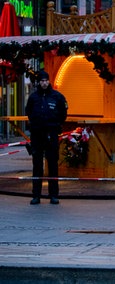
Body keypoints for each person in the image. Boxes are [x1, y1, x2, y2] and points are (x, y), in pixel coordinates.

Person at [25, 70, 68, 205]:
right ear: (39, 82)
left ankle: (53, 195)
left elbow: (63, 113)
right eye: (42, 81)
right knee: (37, 165)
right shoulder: (33, 97)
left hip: (51, 134)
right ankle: (36, 195)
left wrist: (55, 125)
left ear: (49, 81)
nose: (44, 83)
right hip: (37, 134)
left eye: (46, 81)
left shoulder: (57, 97)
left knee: (53, 165)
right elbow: (29, 112)